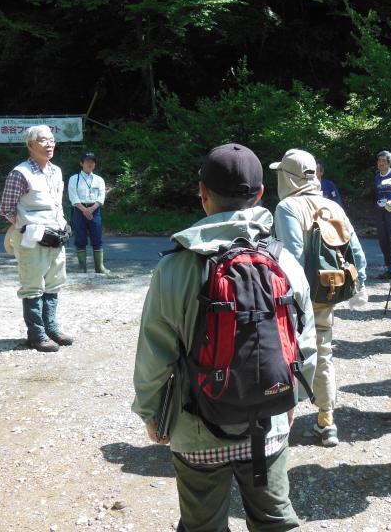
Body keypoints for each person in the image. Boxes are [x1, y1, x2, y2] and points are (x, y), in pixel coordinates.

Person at [132, 143, 316, 532]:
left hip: (197, 427)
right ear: (261, 194)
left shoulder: (174, 267)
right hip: (268, 424)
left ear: (203, 194)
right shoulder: (283, 261)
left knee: (203, 526)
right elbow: (306, 343)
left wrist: (151, 413)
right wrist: (293, 398)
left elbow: (155, 354)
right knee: (274, 520)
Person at [271, 148, 368, 447]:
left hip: (297, 297)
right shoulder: (331, 205)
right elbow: (358, 252)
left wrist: (290, 302)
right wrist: (359, 286)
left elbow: (292, 258)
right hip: (327, 292)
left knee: (284, 353)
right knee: (323, 352)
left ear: (287, 177)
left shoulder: (287, 207)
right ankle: (327, 422)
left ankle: (280, 417)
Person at [0, 125, 72, 352]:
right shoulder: (19, 173)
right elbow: (6, 209)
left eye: (51, 140)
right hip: (32, 241)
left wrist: (61, 227)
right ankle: (37, 335)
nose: (49, 144)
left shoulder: (56, 171)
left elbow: (56, 204)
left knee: (54, 283)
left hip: (56, 237)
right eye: (43, 140)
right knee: (32, 287)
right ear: (30, 145)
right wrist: (29, 228)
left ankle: (51, 329)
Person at [67, 152, 109, 273]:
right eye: (87, 161)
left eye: (92, 161)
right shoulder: (74, 179)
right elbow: (73, 197)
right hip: (79, 210)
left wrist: (90, 209)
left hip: (94, 211)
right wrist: (84, 210)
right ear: (81, 163)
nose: (90, 164)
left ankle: (99, 267)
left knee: (97, 238)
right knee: (80, 238)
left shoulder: (99, 179)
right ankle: (82, 267)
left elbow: (101, 197)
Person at [375, 150, 391, 279]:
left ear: (389, 162)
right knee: (383, 241)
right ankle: (389, 269)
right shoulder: (377, 177)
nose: (381, 163)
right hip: (380, 212)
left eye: (384, 160)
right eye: (379, 160)